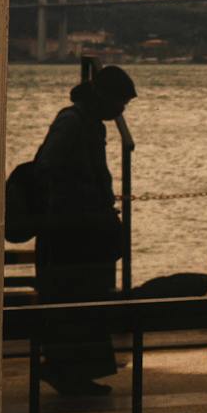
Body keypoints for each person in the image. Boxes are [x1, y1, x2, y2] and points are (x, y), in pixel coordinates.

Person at [34, 64, 136, 396]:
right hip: (72, 232)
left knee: (85, 301)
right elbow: (47, 166)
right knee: (76, 300)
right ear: (104, 98)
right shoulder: (73, 122)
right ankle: (69, 371)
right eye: (121, 102)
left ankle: (75, 373)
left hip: (80, 230)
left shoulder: (87, 123)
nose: (121, 110)